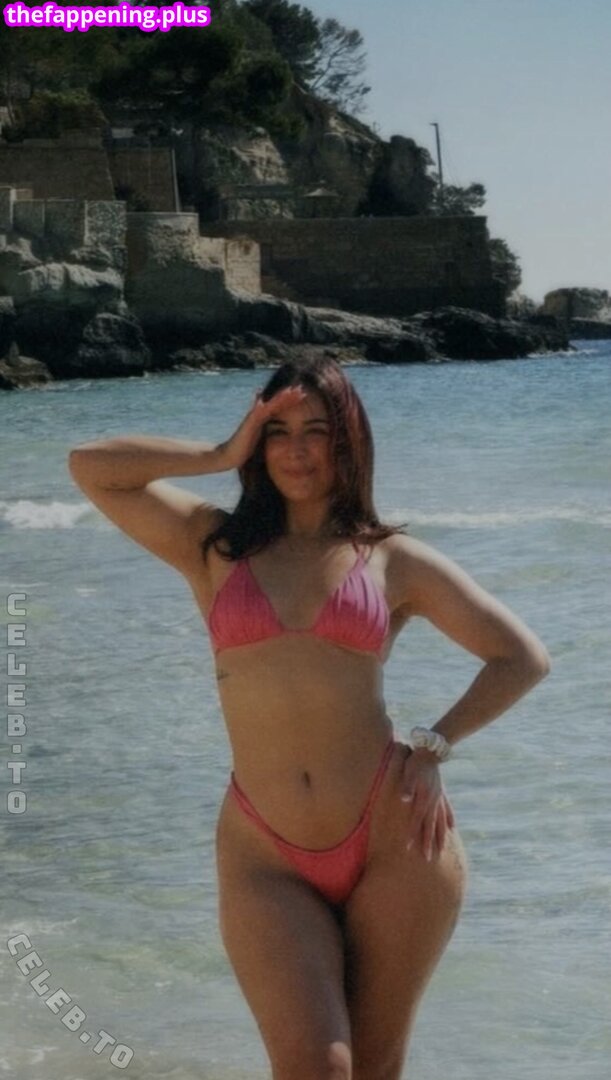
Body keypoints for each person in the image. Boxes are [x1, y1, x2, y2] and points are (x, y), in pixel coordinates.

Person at [68, 356, 550, 1080]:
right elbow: (90, 466)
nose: (296, 450)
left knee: (375, 1069)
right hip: (265, 853)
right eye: (278, 431)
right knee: (316, 1067)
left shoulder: (390, 559)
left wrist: (434, 745)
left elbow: (520, 656)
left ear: (346, 440)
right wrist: (219, 452)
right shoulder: (213, 545)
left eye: (316, 430)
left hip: (395, 840)